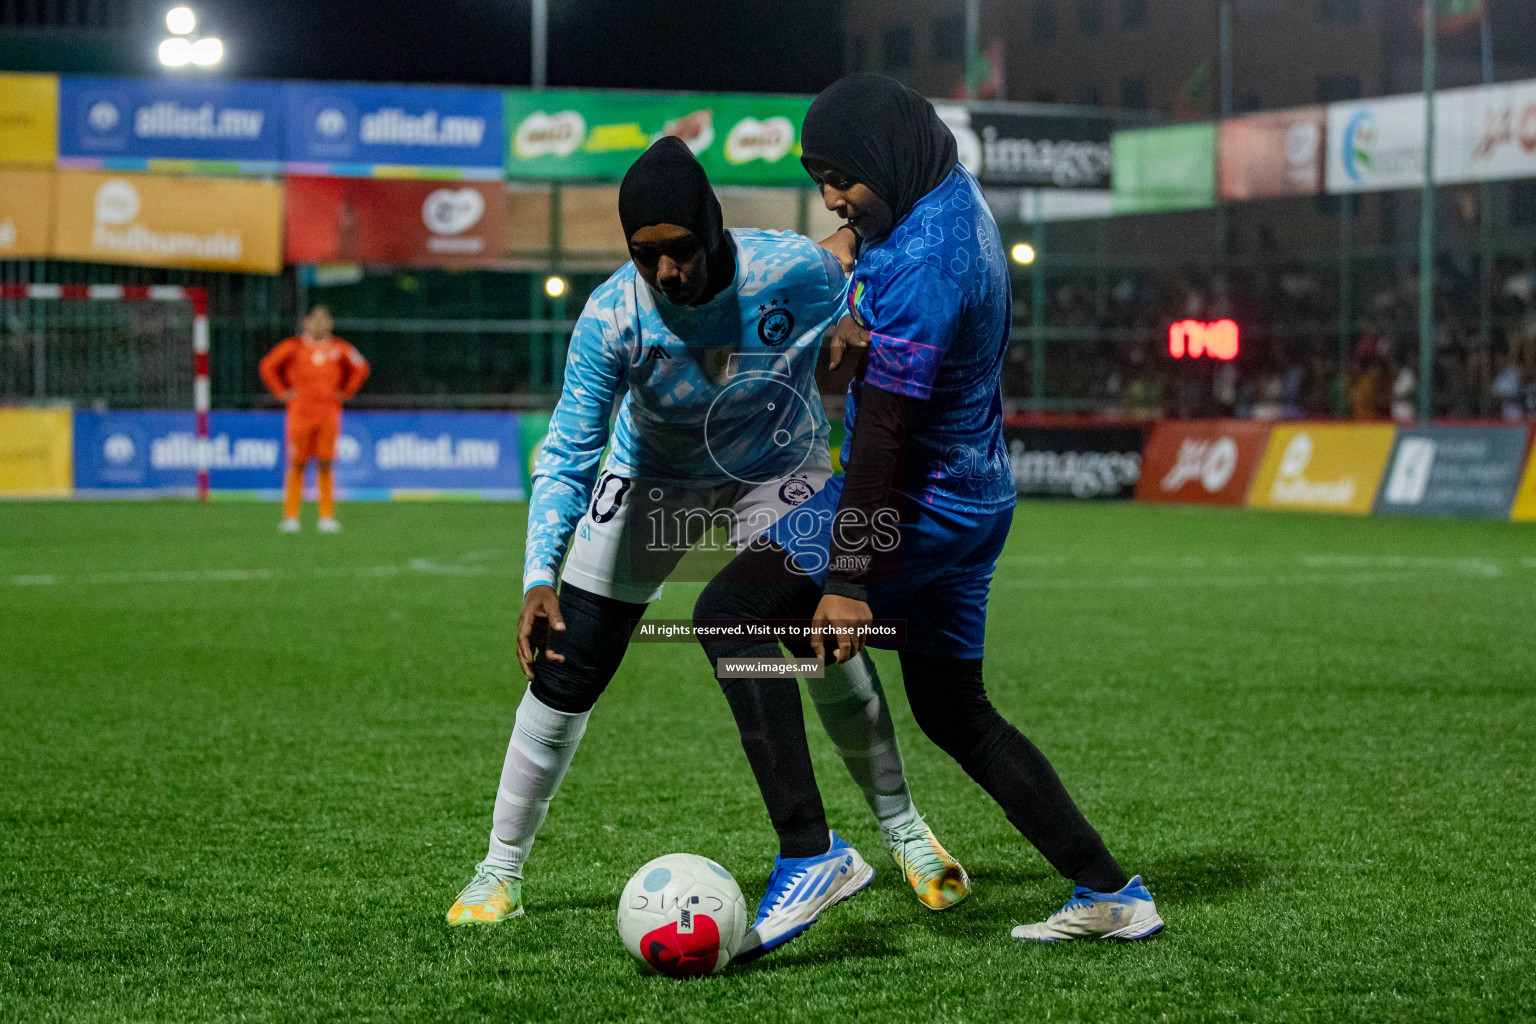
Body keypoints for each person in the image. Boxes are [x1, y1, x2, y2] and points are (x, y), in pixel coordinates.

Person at [691, 75, 1163, 959]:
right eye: (820, 175)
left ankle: (811, 853)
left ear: (884, 159)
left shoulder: (925, 261)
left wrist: (847, 580)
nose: (833, 196)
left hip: (913, 500)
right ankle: (1111, 892)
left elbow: (886, 430)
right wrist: (842, 250)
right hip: (978, 498)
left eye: (842, 177)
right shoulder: (941, 190)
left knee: (728, 613)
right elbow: (877, 260)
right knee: (953, 708)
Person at [446, 137, 970, 927]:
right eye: (643, 255)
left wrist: (858, 317)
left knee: (814, 638)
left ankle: (904, 832)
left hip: (774, 470)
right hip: (655, 478)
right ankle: (499, 872)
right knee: (568, 667)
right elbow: (568, 451)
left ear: (715, 232)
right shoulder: (610, 316)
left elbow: (862, 238)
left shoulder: (790, 269)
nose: (664, 273)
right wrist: (536, 578)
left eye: (681, 251)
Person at [258, 306, 369, 533]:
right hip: (300, 414)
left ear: (330, 324)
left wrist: (346, 392)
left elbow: (361, 367)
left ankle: (326, 517)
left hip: (328, 413)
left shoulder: (339, 348)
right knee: (297, 463)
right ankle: (291, 517)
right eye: (315, 319)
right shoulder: (294, 347)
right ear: (307, 323)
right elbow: (267, 366)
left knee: (326, 464)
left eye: (324, 319)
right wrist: (282, 392)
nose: (319, 324)